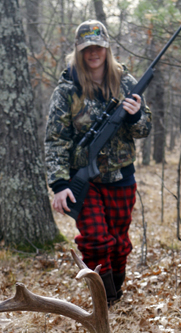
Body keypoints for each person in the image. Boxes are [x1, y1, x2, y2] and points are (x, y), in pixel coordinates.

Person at [45, 20, 152, 305]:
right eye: (87, 48)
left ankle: (114, 293)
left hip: (121, 177)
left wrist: (134, 116)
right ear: (79, 52)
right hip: (85, 179)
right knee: (95, 239)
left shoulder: (126, 83)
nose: (94, 53)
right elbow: (56, 139)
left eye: (99, 47)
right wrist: (58, 184)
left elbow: (145, 129)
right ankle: (105, 303)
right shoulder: (67, 90)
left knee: (119, 244)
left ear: (107, 49)